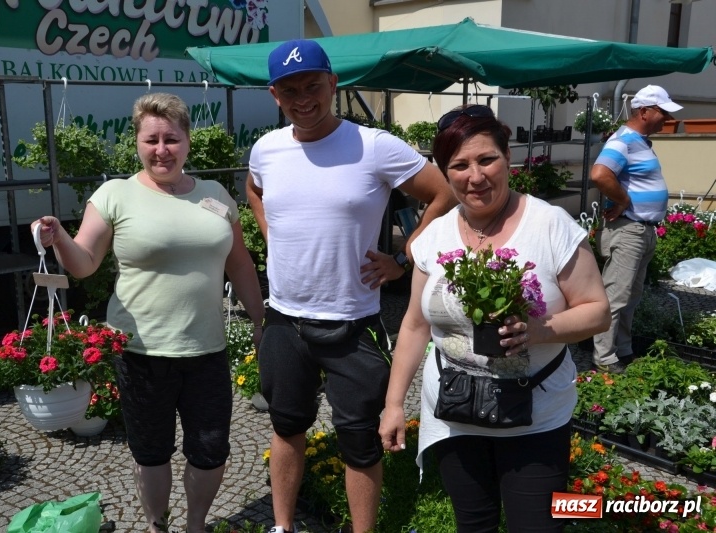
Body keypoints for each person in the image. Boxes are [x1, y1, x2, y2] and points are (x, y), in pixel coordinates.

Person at [246, 39, 455, 533]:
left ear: (333, 83)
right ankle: (282, 526)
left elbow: (443, 192)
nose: (303, 99)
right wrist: (271, 234)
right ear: (275, 95)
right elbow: (253, 188)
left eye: (313, 86)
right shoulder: (267, 149)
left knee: (359, 442)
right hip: (285, 321)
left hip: (352, 323)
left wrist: (404, 258)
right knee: (286, 428)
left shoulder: (373, 145)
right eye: (290, 90)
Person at [31, 93, 265, 533]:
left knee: (211, 450)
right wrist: (59, 237)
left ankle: (195, 525)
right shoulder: (115, 195)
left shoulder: (215, 196)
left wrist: (258, 321)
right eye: (151, 140)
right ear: (136, 142)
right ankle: (158, 526)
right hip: (140, 352)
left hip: (207, 349)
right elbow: (84, 263)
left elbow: (240, 265)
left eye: (171, 139)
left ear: (188, 141)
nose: (162, 150)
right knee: (151, 451)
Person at [379, 104, 610, 532]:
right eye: (459, 165)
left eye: (487, 159)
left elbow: (598, 311)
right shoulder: (434, 235)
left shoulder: (549, 225)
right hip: (454, 411)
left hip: (535, 416)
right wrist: (394, 405)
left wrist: (538, 330)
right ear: (445, 173)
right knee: (473, 524)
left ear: (508, 157)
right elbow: (414, 324)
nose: (475, 176)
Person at [590, 84, 681, 374]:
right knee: (616, 296)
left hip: (642, 230)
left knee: (630, 296)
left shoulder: (639, 141)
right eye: (663, 112)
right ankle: (604, 358)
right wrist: (624, 200)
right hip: (629, 230)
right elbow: (600, 174)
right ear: (644, 112)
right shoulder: (623, 141)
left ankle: (623, 350)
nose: (667, 119)